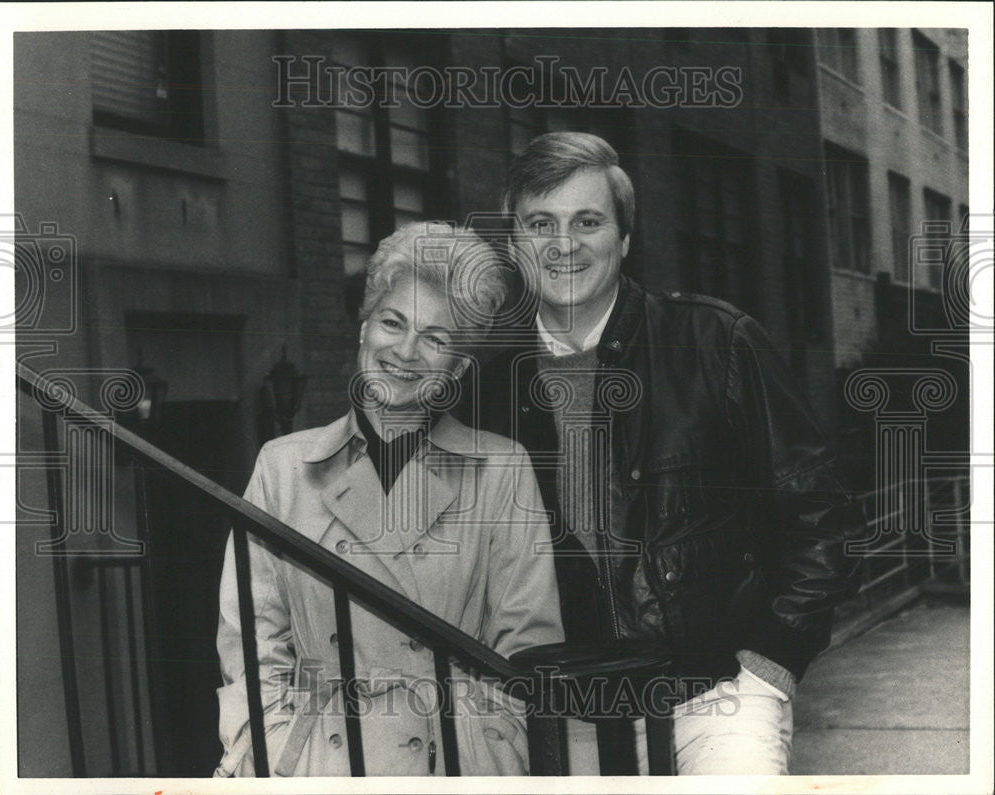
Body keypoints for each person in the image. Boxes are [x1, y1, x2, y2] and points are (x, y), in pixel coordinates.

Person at [460, 132, 866, 775]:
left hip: (714, 698)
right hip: (560, 711)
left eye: (587, 221)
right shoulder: (481, 388)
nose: (563, 245)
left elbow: (822, 516)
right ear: (515, 246)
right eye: (541, 223)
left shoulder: (715, 342)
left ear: (624, 239)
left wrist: (769, 667)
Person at [214, 221, 564, 777]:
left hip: (455, 759)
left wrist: (500, 745)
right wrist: (276, 747)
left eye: (435, 337)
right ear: (363, 329)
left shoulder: (501, 468)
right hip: (322, 763)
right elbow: (253, 642)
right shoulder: (283, 467)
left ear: (458, 366)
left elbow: (528, 647)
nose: (405, 351)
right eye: (392, 322)